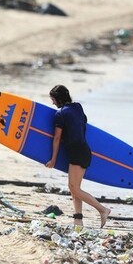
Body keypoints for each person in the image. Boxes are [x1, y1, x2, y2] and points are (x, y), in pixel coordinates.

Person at [44, 85, 111, 228]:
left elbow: (56, 139)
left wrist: (53, 160)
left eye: (53, 99)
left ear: (58, 99)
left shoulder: (60, 114)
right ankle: (78, 221)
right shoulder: (78, 107)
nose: (52, 103)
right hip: (83, 150)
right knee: (75, 187)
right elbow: (83, 122)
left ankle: (103, 210)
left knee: (74, 189)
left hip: (76, 152)